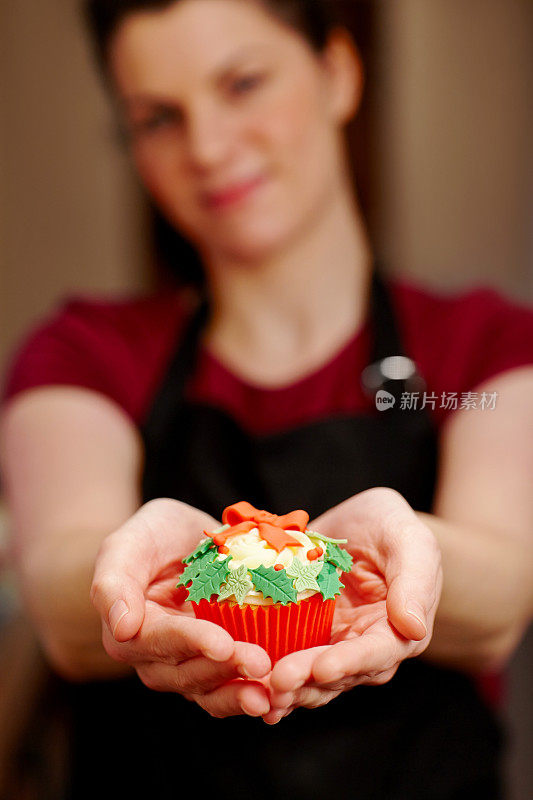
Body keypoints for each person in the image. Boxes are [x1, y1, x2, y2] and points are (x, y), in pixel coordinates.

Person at [1, 0, 533, 797]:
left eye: (242, 83)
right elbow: (56, 588)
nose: (208, 148)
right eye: (157, 119)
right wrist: (146, 580)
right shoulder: (86, 350)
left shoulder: (481, 347)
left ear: (338, 73)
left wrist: (391, 559)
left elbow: (500, 599)